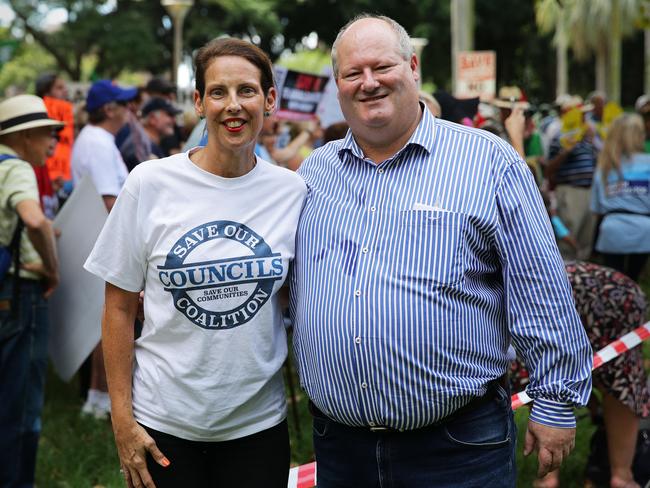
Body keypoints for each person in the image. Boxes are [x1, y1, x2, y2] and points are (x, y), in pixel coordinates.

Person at [289, 14, 592, 487]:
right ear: (339, 84)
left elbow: (539, 288)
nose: (368, 83)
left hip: (458, 446)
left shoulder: (488, 161)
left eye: (381, 67)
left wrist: (554, 400)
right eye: (353, 73)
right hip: (340, 446)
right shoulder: (314, 174)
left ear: (412, 67)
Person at [84, 38, 306, 488]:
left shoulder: (292, 192)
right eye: (218, 93)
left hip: (257, 428)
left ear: (270, 100)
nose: (233, 106)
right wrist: (122, 423)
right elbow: (119, 307)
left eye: (246, 91)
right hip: (164, 426)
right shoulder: (150, 183)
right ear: (200, 103)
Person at [510, 261, 649, 488]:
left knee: (543, 377)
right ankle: (622, 476)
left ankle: (548, 477)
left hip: (590, 295)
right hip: (616, 292)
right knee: (618, 378)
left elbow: (544, 378)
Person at [0, 94, 61, 487]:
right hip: (19, 294)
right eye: (46, 135)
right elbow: (33, 220)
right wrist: (52, 269)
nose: (51, 144)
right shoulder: (16, 167)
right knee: (20, 404)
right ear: (25, 137)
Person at [71, 79, 135, 418]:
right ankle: (98, 401)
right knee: (107, 323)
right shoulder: (97, 143)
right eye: (123, 104)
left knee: (103, 322)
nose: (128, 110)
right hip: (106, 241)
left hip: (99, 239)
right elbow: (111, 201)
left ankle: (97, 399)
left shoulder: (96, 139)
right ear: (109, 110)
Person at [590, 113, 650, 282]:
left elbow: (597, 209)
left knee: (614, 282)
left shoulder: (605, 166)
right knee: (633, 281)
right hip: (644, 231)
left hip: (612, 230)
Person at [120, 97, 180, 171]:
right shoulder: (140, 147)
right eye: (170, 115)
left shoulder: (145, 143)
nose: (174, 120)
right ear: (152, 118)